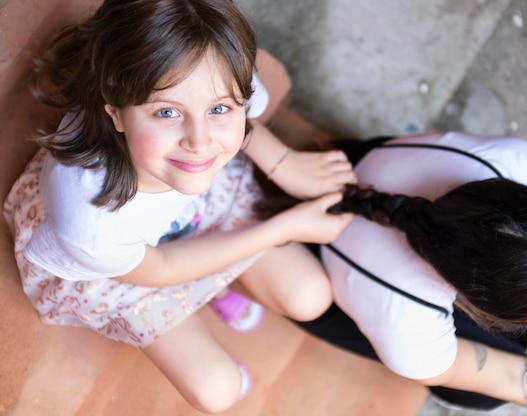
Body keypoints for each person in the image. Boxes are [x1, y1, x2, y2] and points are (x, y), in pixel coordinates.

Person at [2, 0, 356, 414]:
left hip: (195, 208)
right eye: (167, 112)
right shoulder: (89, 219)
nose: (201, 141)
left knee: (311, 296)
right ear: (114, 112)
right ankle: (206, 290)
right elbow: (161, 269)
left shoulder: (210, 77)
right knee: (219, 392)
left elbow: (239, 117)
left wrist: (283, 163)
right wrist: (284, 227)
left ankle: (212, 285)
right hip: (129, 270)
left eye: (218, 109)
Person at [286, 132, 527, 415]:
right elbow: (507, 378)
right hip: (326, 259)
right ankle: (446, 389)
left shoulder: (516, 163)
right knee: (482, 392)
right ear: (485, 311)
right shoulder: (407, 327)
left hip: (357, 174)